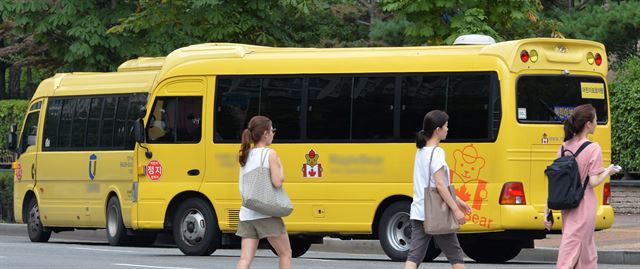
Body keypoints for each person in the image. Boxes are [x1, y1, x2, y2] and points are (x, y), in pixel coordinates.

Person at [544, 104, 620, 268]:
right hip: (585, 204)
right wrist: (608, 171)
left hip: (567, 204)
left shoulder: (564, 148)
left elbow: (556, 182)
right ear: (588, 124)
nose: (597, 123)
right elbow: (593, 182)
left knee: (583, 246)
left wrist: (547, 211)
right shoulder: (593, 148)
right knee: (574, 245)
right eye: (596, 120)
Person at [405, 110, 471, 269]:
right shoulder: (437, 152)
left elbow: (433, 185)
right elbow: (440, 185)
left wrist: (459, 200)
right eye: (446, 126)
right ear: (438, 130)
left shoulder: (420, 151)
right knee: (456, 256)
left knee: (414, 256)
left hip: (419, 211)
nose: (448, 129)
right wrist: (456, 210)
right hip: (437, 214)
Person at [236, 115, 292, 269]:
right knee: (285, 254)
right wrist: (280, 167)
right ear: (266, 133)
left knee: (245, 259)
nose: (273, 133)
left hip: (247, 213)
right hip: (266, 213)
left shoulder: (245, 154)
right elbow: (277, 182)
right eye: (272, 130)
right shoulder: (270, 154)